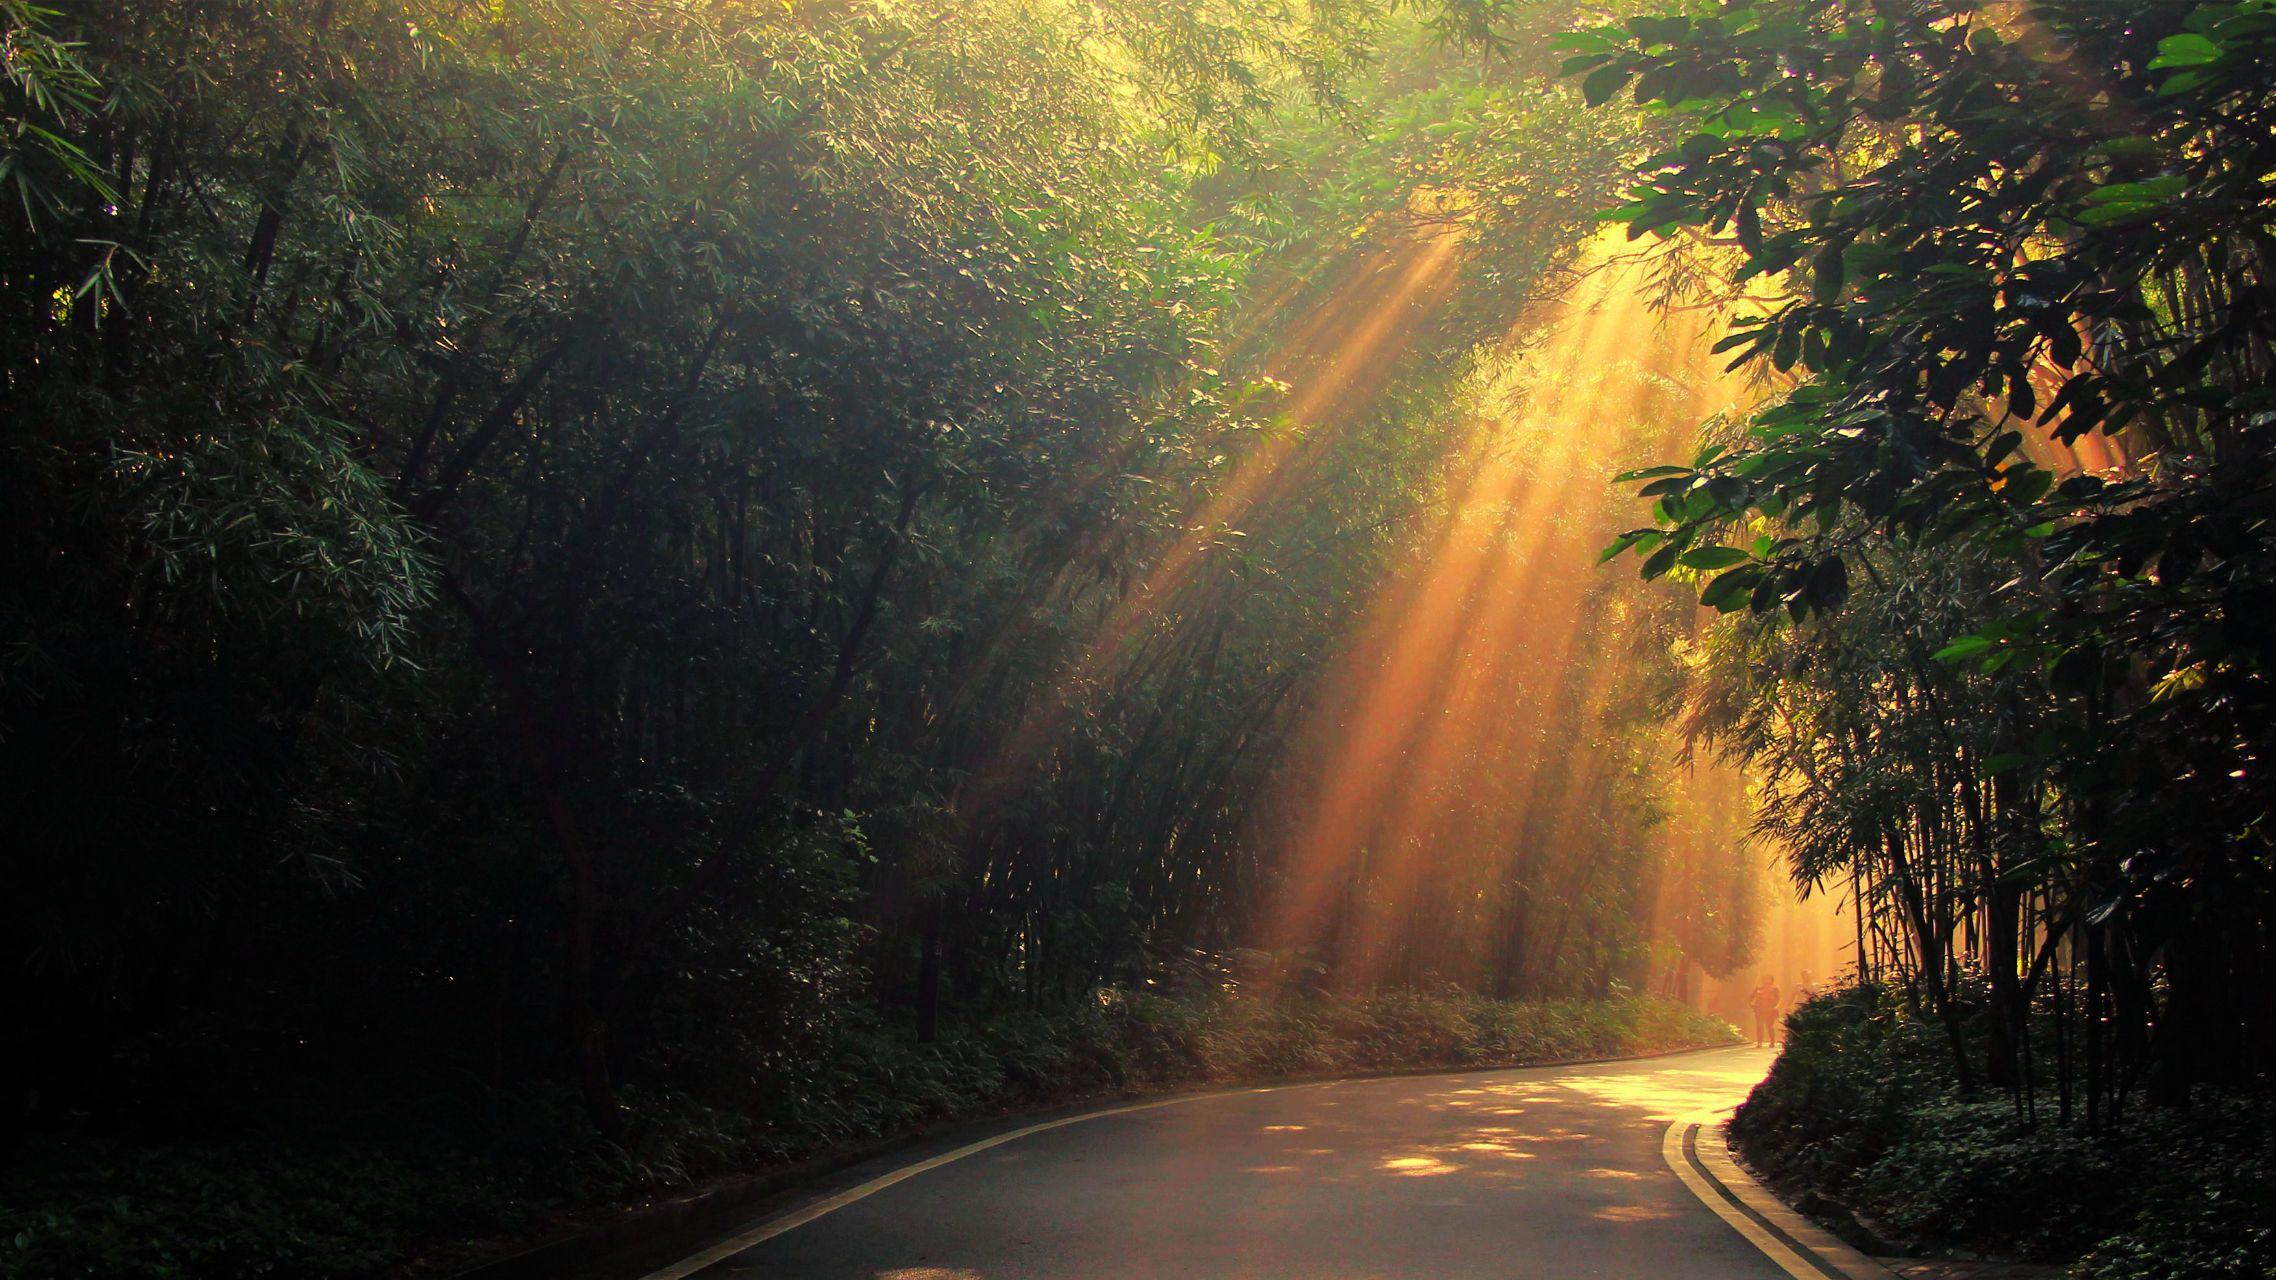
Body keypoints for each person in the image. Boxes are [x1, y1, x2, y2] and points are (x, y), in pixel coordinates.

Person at [1748, 973, 1782, 1048]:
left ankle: (1772, 1041)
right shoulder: (1758, 988)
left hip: (1770, 1010)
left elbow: (1779, 999)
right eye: (1765, 978)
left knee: (1769, 1026)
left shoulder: (1775, 989)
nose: (1766, 980)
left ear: (1771, 980)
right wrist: (1751, 1004)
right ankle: (1759, 1042)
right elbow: (1750, 997)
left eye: (1768, 979)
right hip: (1759, 1010)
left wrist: (1776, 1007)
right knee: (1759, 1026)